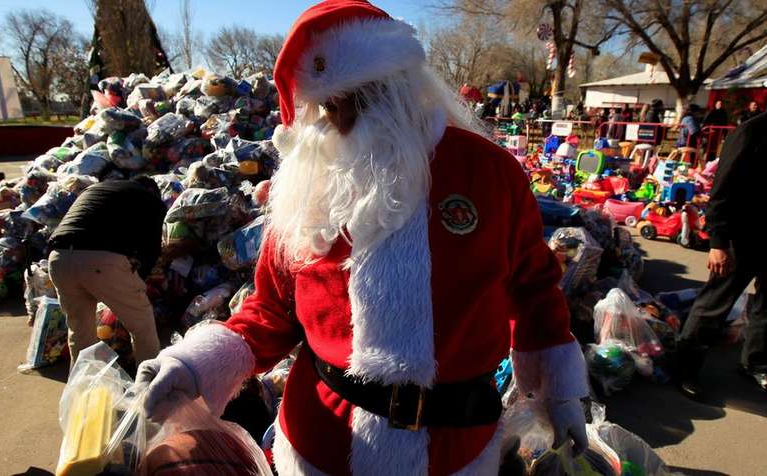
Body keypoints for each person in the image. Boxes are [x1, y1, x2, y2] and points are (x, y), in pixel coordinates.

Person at [135, 2, 589, 475]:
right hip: (322, 444)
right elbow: (271, 310)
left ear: (403, 85)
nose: (346, 119)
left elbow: (534, 289)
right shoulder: (308, 184)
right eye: (330, 105)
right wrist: (194, 366)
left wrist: (560, 393)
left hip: (456, 446)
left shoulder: (488, 173)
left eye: (365, 97)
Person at [676, 111, 767, 398]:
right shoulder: (751, 132)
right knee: (714, 304)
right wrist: (718, 242)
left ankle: (755, 362)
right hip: (743, 238)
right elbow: (722, 190)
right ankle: (684, 368)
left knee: (765, 308)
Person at [48, 176, 165, 366]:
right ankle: (151, 387)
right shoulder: (150, 200)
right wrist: (139, 281)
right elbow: (151, 249)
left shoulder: (97, 190)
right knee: (142, 327)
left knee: (80, 332)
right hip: (100, 260)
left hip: (58, 259)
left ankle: (80, 391)